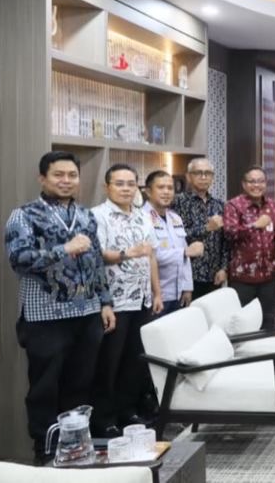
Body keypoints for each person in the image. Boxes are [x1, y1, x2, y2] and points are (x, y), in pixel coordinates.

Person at [5, 151, 115, 462]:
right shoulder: (24, 215)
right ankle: (44, 453)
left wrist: (106, 301)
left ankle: (75, 449)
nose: (66, 181)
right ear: (42, 178)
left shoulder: (85, 216)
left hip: (88, 314)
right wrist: (64, 249)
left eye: (72, 175)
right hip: (45, 317)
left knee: (80, 385)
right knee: (44, 388)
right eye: (58, 175)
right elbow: (18, 260)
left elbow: (96, 262)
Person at [91, 164, 163, 437]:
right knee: (109, 363)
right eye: (119, 183)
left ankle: (127, 411)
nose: (126, 189)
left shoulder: (143, 216)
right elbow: (97, 255)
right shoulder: (98, 216)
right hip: (115, 302)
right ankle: (104, 419)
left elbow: (151, 256)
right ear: (107, 186)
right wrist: (126, 253)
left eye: (131, 184)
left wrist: (157, 293)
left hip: (142, 299)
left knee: (134, 361)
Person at [224, 166, 275, 330]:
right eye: (252, 181)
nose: (257, 185)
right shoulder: (233, 205)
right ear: (244, 184)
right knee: (243, 325)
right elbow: (229, 233)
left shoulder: (272, 206)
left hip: (268, 276)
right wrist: (254, 225)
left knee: (268, 322)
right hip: (243, 277)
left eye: (261, 181)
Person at [144, 170, 202, 316]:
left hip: (178, 293)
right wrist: (183, 252)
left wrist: (187, 286)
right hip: (154, 295)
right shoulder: (141, 218)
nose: (166, 192)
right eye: (161, 187)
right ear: (148, 192)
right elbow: (149, 257)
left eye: (170, 188)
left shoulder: (175, 218)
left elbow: (185, 258)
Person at [172, 157, 228, 299]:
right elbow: (176, 237)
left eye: (207, 173)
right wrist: (206, 228)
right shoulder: (178, 202)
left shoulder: (219, 204)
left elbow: (225, 241)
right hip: (188, 278)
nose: (203, 177)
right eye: (198, 173)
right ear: (188, 176)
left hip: (215, 276)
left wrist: (224, 268)